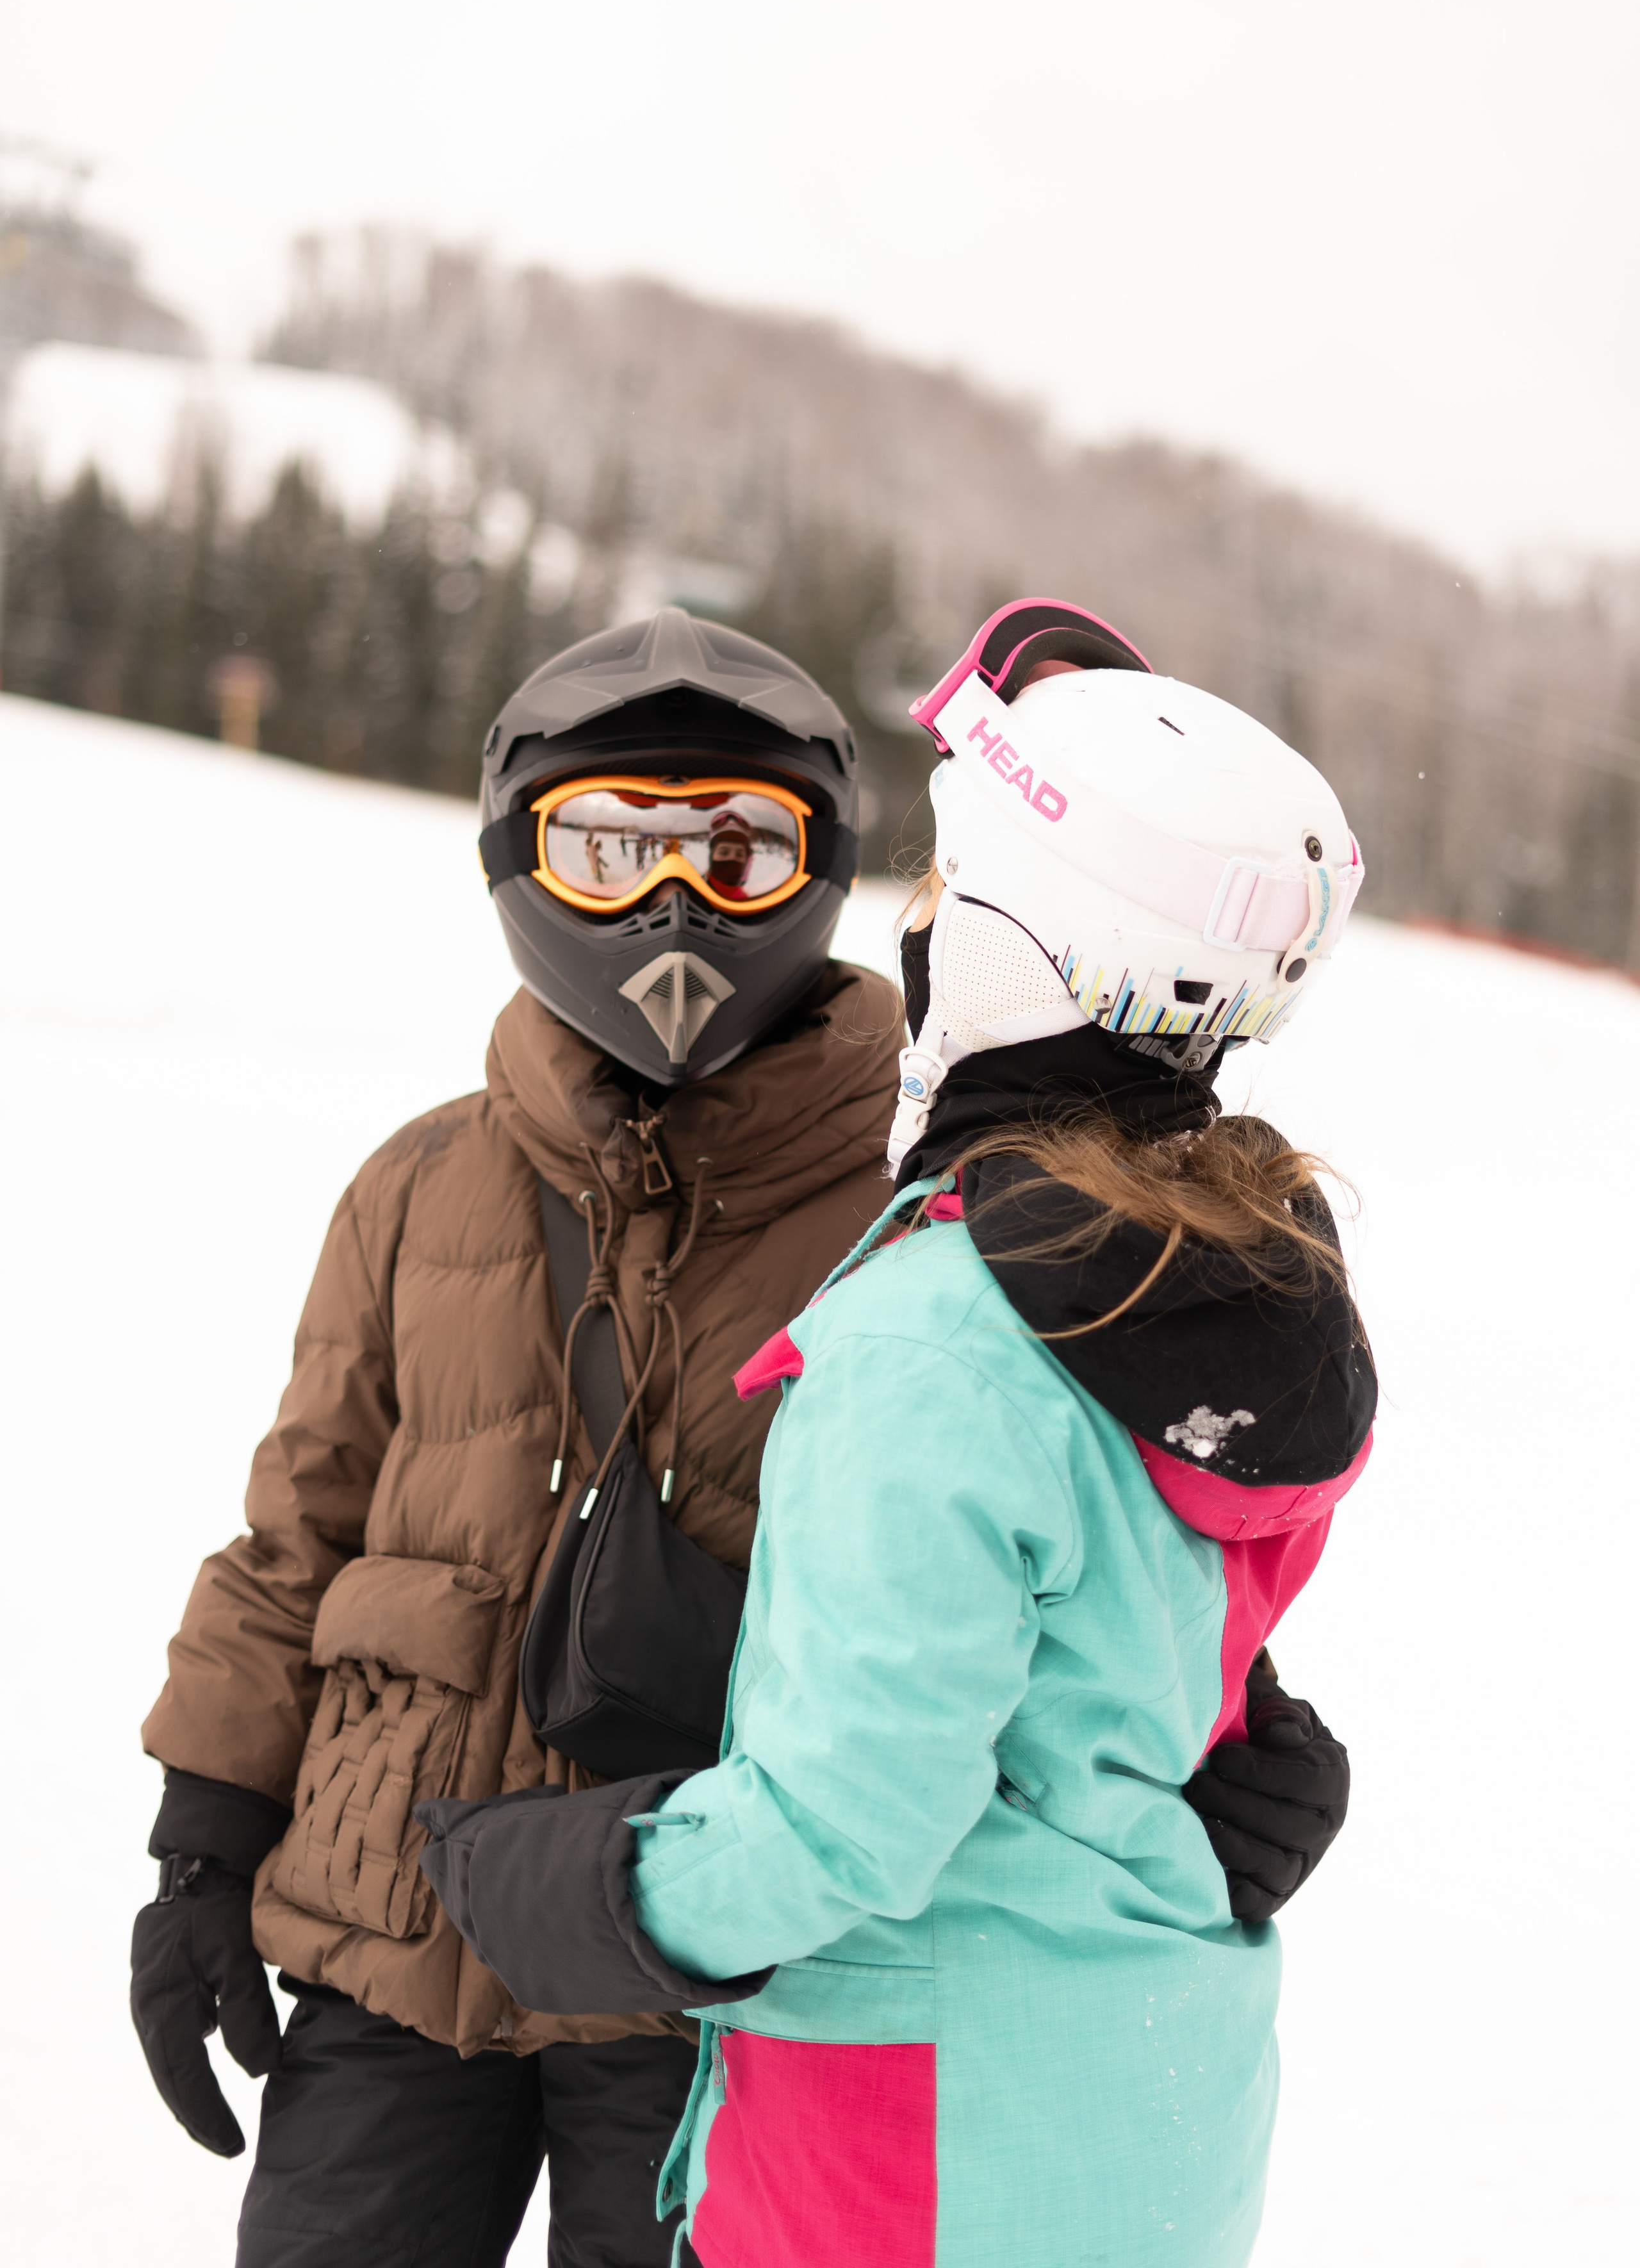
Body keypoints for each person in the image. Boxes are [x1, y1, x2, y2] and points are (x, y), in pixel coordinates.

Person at [131, 602, 1351, 2268]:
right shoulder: (423, 1187)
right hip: (391, 1921)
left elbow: (1054, 1526)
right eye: (613, 847)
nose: (677, 906)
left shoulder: (926, 1216)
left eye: (739, 850)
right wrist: (205, 1827)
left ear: (834, 863)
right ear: (517, 856)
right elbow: (299, 1531)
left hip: (705, 1982)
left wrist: (1228, 1733)